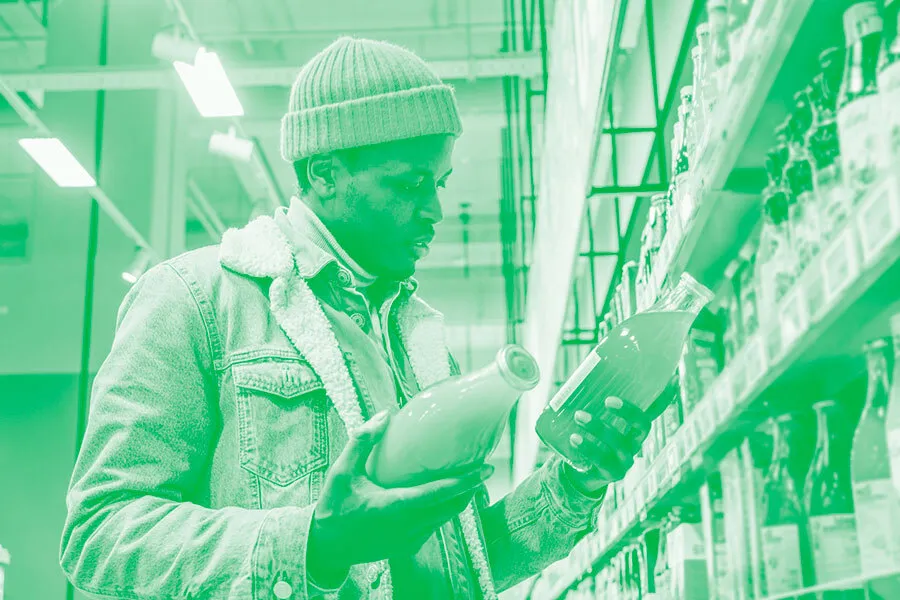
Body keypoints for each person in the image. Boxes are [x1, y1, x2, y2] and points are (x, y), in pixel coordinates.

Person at [59, 37, 650, 599]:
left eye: (439, 182)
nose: (435, 209)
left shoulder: (415, 340)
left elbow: (460, 565)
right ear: (324, 173)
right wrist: (315, 545)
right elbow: (101, 532)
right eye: (410, 183)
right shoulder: (194, 299)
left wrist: (575, 480)